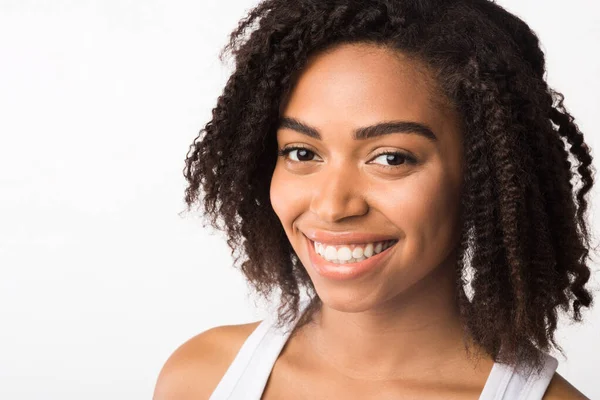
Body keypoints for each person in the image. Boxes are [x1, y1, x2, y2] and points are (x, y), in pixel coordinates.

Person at [153, 0, 595, 398]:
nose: (332, 205)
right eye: (302, 153)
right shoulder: (201, 378)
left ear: (485, 179)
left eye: (391, 158)